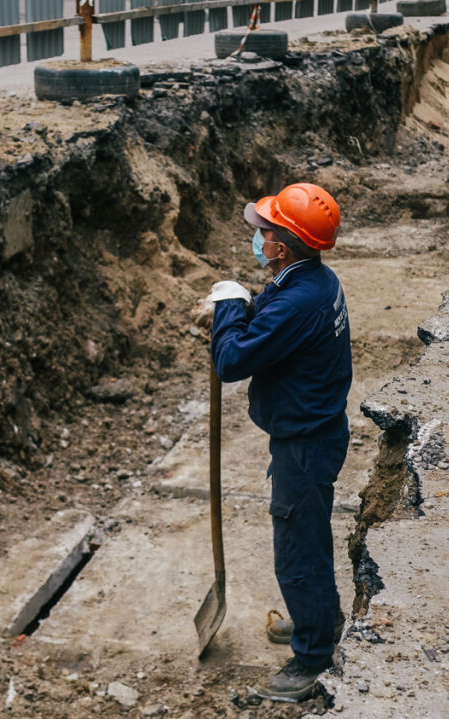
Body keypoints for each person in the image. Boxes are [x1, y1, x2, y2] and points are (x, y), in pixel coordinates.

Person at [198, 182, 352, 702]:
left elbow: (232, 362)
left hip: (304, 446)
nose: (256, 238)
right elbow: (265, 317)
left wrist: (226, 311)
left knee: (296, 554)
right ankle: (320, 619)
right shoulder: (312, 280)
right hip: (315, 432)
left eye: (262, 232)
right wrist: (240, 303)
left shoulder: (297, 301)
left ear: (282, 246)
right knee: (309, 538)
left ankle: (312, 658)